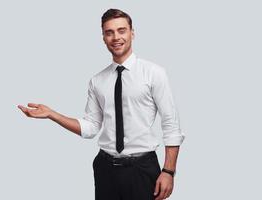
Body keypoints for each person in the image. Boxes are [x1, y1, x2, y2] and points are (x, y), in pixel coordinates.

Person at [18, 8, 185, 200]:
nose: (116, 37)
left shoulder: (154, 73)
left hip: (142, 168)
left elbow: (171, 124)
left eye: (121, 30)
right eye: (109, 32)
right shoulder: (97, 81)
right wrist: (52, 114)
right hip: (105, 168)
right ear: (103, 38)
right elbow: (90, 128)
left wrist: (169, 171)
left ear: (132, 33)